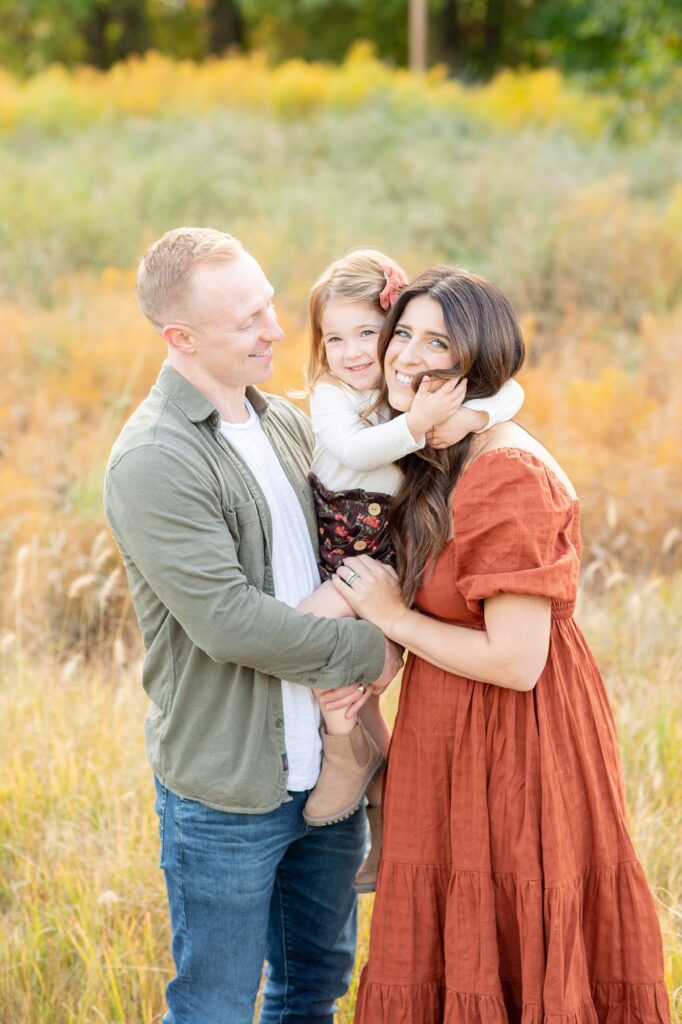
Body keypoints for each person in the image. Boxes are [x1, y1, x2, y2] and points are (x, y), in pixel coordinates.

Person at [330, 267, 670, 1024]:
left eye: (437, 342)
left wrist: (391, 617)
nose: (407, 357)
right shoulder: (439, 455)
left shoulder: (503, 469)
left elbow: (518, 662)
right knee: (458, 938)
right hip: (453, 729)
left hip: (518, 736)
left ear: (475, 362)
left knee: (516, 931)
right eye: (403, 335)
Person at [103, 226, 404, 1024]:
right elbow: (232, 624)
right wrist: (381, 644)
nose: (276, 329)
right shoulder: (155, 459)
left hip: (330, 771)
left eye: (270, 306)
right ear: (183, 338)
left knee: (313, 991)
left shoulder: (287, 424)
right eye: (248, 321)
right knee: (214, 1007)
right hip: (229, 792)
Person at [297, 250, 525, 895]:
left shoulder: (410, 392)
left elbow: (511, 388)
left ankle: (352, 758)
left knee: (301, 634)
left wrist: (470, 414)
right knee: (309, 646)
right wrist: (419, 425)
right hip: (345, 551)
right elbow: (352, 450)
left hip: (385, 560)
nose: (352, 351)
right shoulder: (336, 396)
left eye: (370, 332)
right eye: (333, 338)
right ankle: (367, 764)